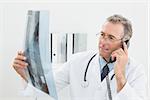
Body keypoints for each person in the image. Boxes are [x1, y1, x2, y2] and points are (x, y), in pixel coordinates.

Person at [12, 14, 147, 100]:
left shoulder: (136, 71)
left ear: (124, 44)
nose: (103, 42)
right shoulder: (78, 61)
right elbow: (48, 87)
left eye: (111, 37)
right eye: (102, 34)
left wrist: (120, 77)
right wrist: (25, 73)